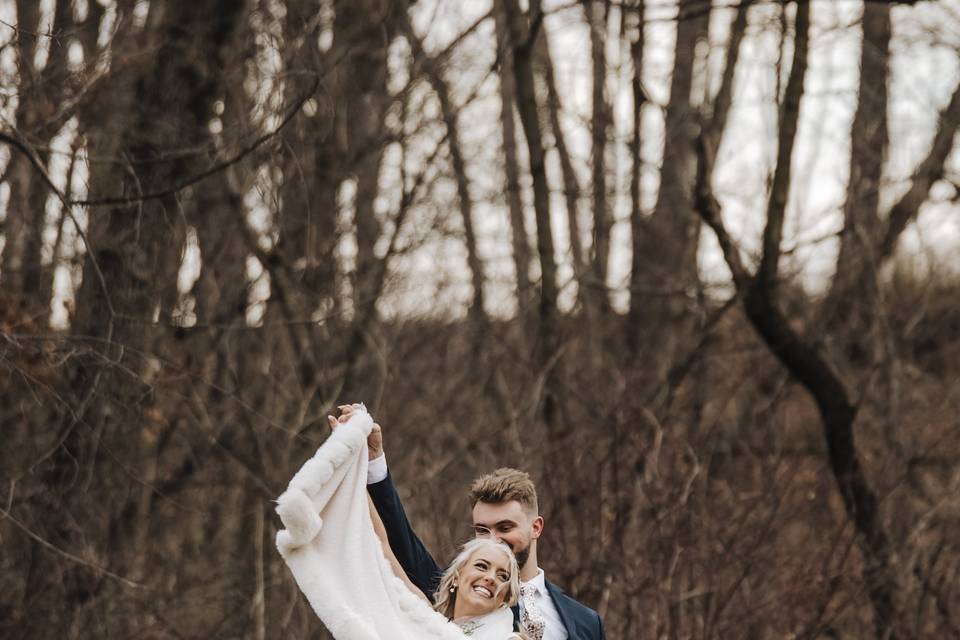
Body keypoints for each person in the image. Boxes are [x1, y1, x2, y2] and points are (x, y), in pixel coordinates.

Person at [331, 404, 607, 640]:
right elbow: (397, 543)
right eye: (482, 529)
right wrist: (368, 462)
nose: (493, 540)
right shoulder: (459, 592)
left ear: (536, 527)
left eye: (505, 528)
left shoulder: (585, 622)